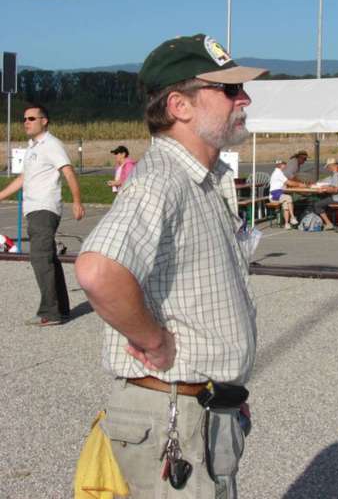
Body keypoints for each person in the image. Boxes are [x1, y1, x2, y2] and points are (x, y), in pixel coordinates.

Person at [75, 33, 267, 499]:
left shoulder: (204, 178)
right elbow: (99, 270)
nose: (244, 98)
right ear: (180, 105)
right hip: (172, 415)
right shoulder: (162, 179)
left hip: (199, 409)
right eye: (228, 90)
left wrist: (226, 391)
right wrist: (151, 338)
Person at [0, 104, 85, 325]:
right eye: (24, 119)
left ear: (44, 121)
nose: (26, 122)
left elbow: (67, 171)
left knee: (40, 259)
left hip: (44, 208)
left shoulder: (51, 145)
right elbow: (23, 179)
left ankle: (50, 313)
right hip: (34, 209)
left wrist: (77, 201)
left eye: (31, 118)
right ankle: (62, 309)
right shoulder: (33, 147)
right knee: (48, 259)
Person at [312, 158, 338, 230]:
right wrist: (326, 187)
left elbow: (335, 190)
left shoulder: (336, 174)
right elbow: (335, 186)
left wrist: (323, 190)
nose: (328, 169)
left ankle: (328, 223)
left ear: (331, 166)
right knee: (324, 201)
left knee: (317, 205)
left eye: (328, 167)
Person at [269, 159, 299, 229]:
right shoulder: (278, 173)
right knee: (288, 197)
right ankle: (292, 217)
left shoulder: (279, 172)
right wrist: (300, 185)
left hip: (279, 194)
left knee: (286, 204)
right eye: (284, 164)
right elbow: (289, 182)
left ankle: (286, 223)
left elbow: (286, 183)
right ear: (281, 165)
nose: (285, 166)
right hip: (274, 195)